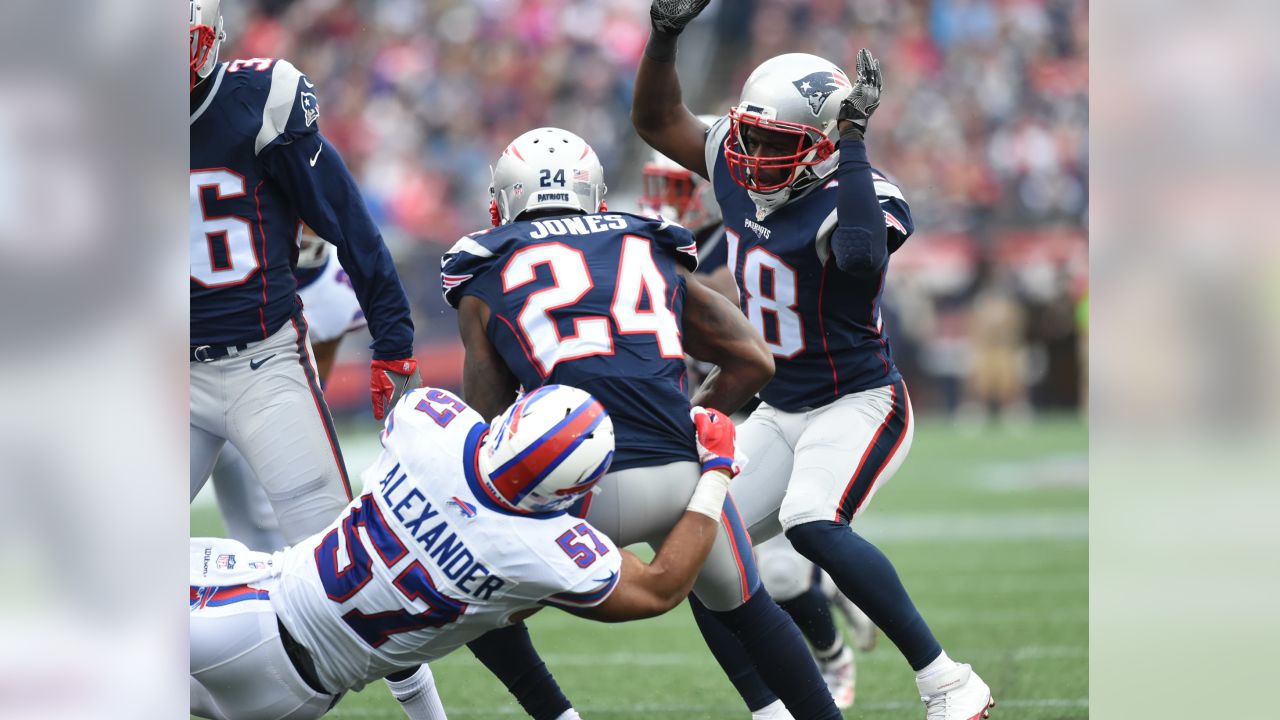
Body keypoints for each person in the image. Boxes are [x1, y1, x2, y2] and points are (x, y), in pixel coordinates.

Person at [632, 2, 995, 717]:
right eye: (751, 139)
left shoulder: (855, 191)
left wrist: (855, 143)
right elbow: (656, 119)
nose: (753, 158)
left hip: (860, 402)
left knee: (810, 519)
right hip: (780, 406)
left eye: (778, 144)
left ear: (828, 143)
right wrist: (665, 37)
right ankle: (777, 711)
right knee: (705, 554)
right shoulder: (738, 167)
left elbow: (860, 255)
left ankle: (950, 682)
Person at [442, 127, 841, 719]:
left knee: (461, 581)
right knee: (750, 609)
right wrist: (697, 416)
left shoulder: (482, 266)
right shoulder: (647, 241)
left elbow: (488, 422)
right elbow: (754, 358)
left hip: (571, 482)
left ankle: (558, 713)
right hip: (680, 475)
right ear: (595, 195)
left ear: (505, 200)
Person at [190, 385, 745, 720]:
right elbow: (659, 587)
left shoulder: (428, 421)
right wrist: (716, 470)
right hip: (300, 699)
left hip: (245, 612)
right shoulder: (540, 553)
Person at [640, 144, 879, 710]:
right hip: (718, 416)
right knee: (731, 560)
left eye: (672, 191)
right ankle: (828, 606)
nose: (660, 205)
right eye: (656, 190)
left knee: (778, 570)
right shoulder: (653, 248)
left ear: (703, 188)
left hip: (774, 413)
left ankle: (830, 654)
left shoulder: (742, 237)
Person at [188, 0, 421, 545]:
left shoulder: (258, 100)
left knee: (332, 557)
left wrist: (394, 340)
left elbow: (348, 221)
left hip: (265, 362)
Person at [210, 231, 369, 552]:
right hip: (199, 377)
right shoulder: (239, 256)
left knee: (264, 524)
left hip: (263, 399)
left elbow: (314, 381)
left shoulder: (337, 292)